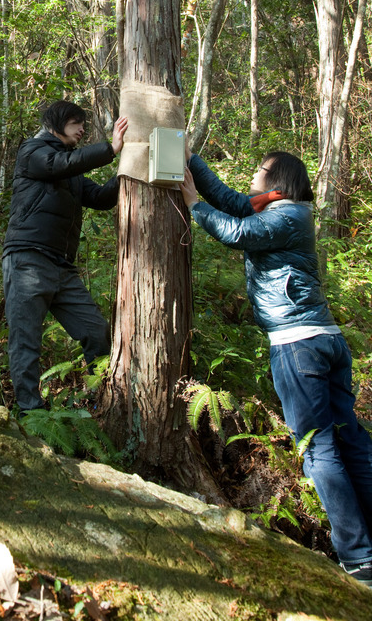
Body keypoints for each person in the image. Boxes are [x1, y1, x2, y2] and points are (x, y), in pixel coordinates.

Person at [180, 147, 372, 587]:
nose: (252, 174)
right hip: (321, 340)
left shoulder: (287, 215)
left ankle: (359, 558)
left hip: (298, 343)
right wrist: (192, 160)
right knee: (350, 440)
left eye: (259, 170)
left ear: (278, 178)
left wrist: (193, 204)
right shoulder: (275, 209)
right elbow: (232, 203)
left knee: (320, 449)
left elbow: (232, 230)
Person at [2, 100, 128, 414]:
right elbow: (55, 166)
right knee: (26, 339)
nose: (82, 129)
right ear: (57, 122)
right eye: (76, 122)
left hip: (62, 267)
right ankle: (30, 412)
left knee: (95, 331)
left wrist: (127, 172)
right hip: (28, 259)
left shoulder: (71, 166)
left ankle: (96, 397)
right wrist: (109, 149)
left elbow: (99, 198)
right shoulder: (32, 152)